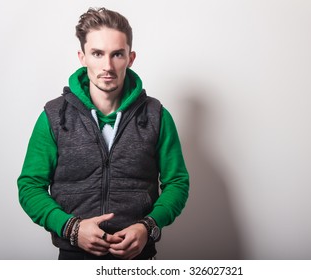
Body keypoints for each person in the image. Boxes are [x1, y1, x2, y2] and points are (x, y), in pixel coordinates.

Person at [17, 7, 189, 260]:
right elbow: (30, 186)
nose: (107, 66)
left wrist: (148, 226)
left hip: (138, 258)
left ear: (130, 58)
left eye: (117, 54)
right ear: (82, 56)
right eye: (97, 53)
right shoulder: (54, 116)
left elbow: (177, 182)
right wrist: (71, 228)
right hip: (74, 257)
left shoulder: (156, 115)